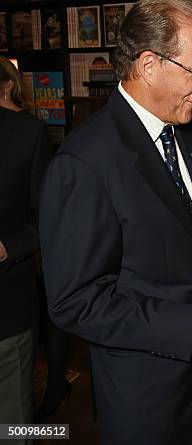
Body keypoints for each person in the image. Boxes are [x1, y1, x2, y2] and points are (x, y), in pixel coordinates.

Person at [39, 1, 192, 444]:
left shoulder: (186, 134)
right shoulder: (84, 162)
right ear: (149, 65)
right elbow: (75, 302)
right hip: (150, 402)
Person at [0, 56, 50, 440]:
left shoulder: (27, 133)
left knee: (13, 429)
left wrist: (6, 248)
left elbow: (46, 217)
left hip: (8, 312)